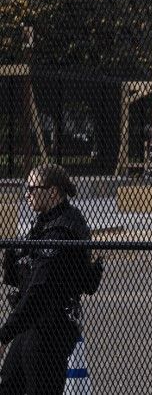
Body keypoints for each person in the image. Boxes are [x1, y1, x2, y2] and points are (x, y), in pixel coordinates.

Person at [0, 164, 94, 394]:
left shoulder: (63, 229)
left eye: (32, 188)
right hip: (31, 326)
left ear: (52, 192)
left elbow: (39, 290)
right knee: (10, 383)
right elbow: (22, 276)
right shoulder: (44, 222)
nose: (27, 194)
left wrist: (4, 335)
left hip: (49, 330)